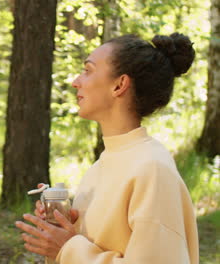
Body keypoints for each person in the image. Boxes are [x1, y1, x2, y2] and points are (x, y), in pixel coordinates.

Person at [15, 32, 198, 263]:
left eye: (88, 70)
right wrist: (65, 229)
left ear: (119, 85)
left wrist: (69, 248)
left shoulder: (152, 169)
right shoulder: (103, 164)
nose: (75, 81)